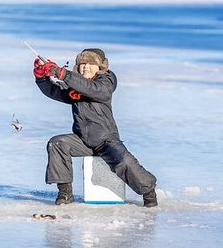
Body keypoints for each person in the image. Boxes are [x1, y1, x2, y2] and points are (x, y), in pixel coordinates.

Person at [33, 48, 158, 207]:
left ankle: (149, 192)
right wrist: (41, 78)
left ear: (100, 67)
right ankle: (65, 194)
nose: (85, 67)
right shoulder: (75, 86)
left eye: (90, 63)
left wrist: (62, 73)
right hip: (82, 140)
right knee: (57, 143)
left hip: (106, 141)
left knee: (124, 162)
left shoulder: (107, 81)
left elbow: (94, 90)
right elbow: (55, 91)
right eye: (82, 63)